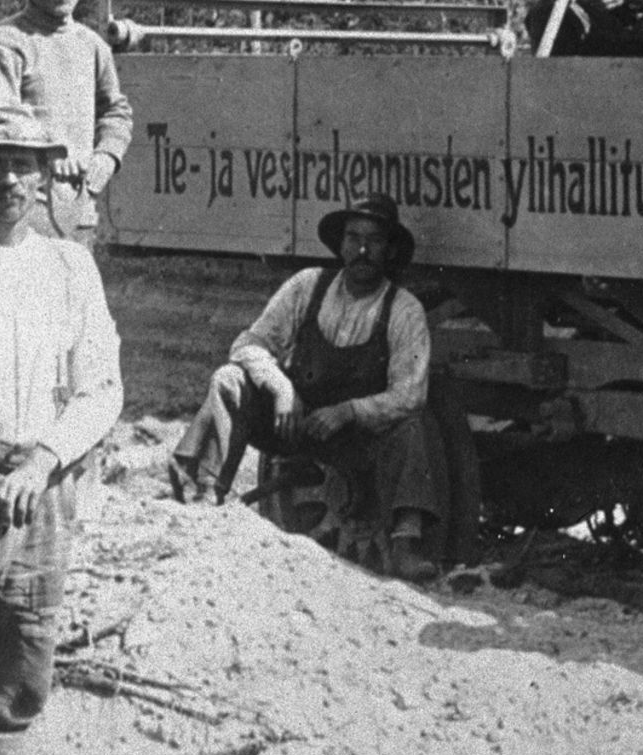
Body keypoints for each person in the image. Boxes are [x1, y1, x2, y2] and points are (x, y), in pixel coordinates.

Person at [0, 105, 121, 755]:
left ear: (44, 176)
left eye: (24, 164)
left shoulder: (68, 268)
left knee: (24, 666)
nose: (9, 179)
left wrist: (43, 460)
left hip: (41, 489)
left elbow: (101, 388)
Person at [168, 194, 443, 583]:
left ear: (390, 250)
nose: (362, 250)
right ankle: (206, 492)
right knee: (229, 380)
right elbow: (248, 344)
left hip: (358, 440)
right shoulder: (307, 286)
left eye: (374, 241)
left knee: (411, 427)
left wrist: (349, 411)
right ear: (340, 243)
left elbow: (410, 394)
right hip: (295, 424)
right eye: (353, 238)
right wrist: (281, 388)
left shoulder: (403, 309)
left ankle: (404, 546)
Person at [0, 0, 134, 243]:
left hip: (79, 209)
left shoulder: (92, 45)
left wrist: (105, 158)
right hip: (19, 210)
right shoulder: (4, 42)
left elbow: (116, 111)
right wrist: (51, 153)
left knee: (76, 289)